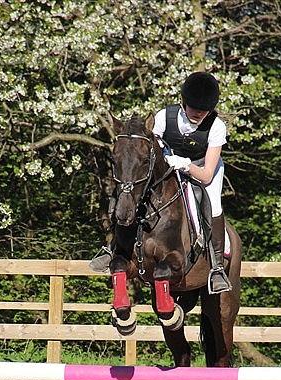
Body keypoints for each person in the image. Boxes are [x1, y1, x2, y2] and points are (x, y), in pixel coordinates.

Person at [91, 71, 231, 294]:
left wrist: (185, 165)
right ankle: (112, 248)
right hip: (167, 167)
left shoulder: (216, 127)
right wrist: (164, 162)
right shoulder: (165, 116)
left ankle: (216, 267)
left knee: (213, 203)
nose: (197, 114)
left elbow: (205, 175)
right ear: (183, 102)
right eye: (193, 108)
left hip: (203, 169)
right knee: (132, 191)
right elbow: (149, 148)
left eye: (203, 110)